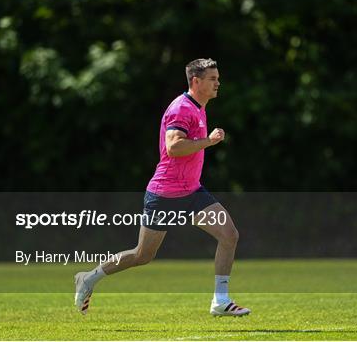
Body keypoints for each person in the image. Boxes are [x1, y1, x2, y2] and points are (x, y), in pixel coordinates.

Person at [74, 58, 250, 317]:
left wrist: (205, 141)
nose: (218, 83)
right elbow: (174, 147)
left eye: (217, 78)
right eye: (213, 78)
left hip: (191, 192)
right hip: (165, 194)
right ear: (196, 81)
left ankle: (220, 300)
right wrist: (208, 141)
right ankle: (88, 278)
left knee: (229, 235)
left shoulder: (198, 107)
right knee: (142, 255)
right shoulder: (182, 109)